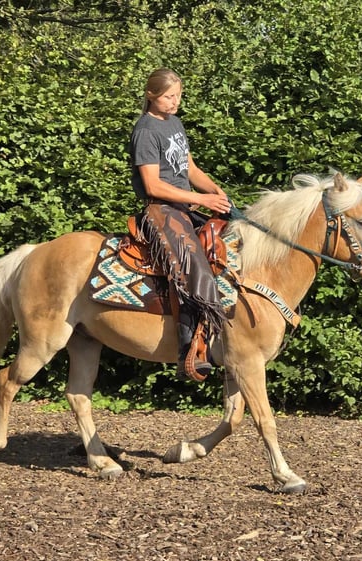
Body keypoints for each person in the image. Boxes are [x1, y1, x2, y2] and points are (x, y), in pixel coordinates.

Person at [129, 68, 231, 381]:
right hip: (161, 210)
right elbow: (152, 186)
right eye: (168, 97)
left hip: (185, 204)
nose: (175, 102)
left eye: (178, 96)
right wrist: (201, 200)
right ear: (151, 95)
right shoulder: (145, 131)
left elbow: (188, 167)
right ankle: (189, 348)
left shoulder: (174, 122)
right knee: (192, 265)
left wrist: (214, 190)